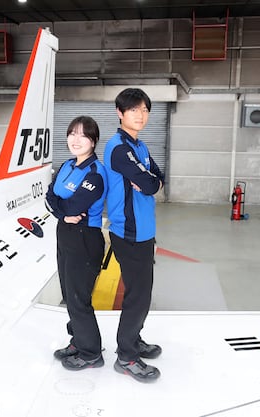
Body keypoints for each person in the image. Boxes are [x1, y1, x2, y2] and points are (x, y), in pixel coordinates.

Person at [103, 88, 165, 383]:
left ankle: (134, 339)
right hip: (129, 232)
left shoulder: (139, 146)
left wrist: (150, 181)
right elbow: (151, 186)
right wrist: (149, 181)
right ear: (120, 113)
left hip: (144, 230)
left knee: (143, 293)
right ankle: (126, 357)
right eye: (134, 109)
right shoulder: (119, 148)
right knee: (137, 296)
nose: (141, 115)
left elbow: (158, 179)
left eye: (144, 110)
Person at [46, 116, 108, 371]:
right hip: (65, 233)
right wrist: (61, 214)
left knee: (79, 297)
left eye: (83, 135)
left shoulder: (95, 173)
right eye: (72, 133)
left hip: (85, 238)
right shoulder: (67, 165)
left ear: (93, 140)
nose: (76, 139)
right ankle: (79, 340)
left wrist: (60, 208)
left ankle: (91, 353)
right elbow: (48, 197)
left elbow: (73, 206)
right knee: (68, 294)